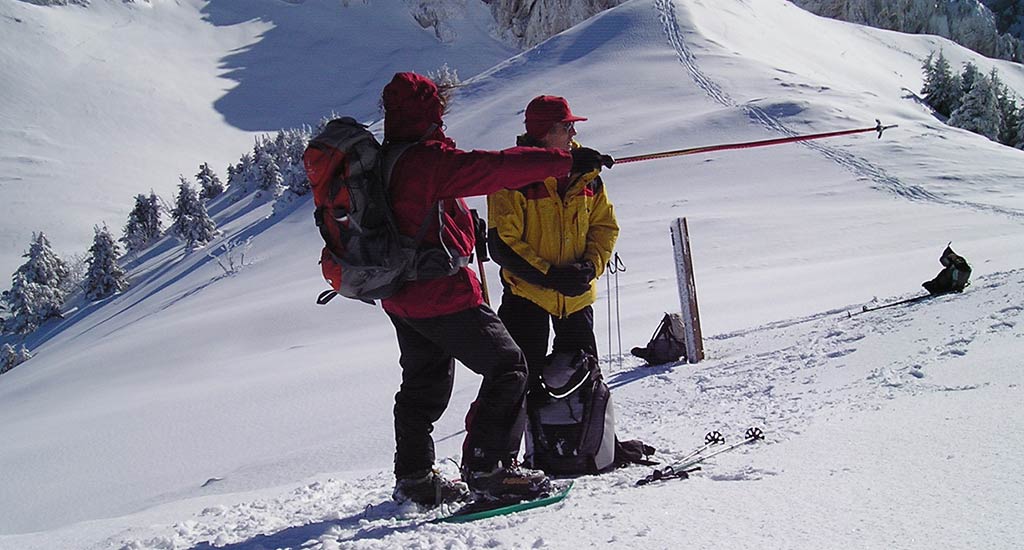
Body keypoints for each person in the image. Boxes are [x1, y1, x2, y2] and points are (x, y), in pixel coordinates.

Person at [379, 74, 613, 507]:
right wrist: (562, 164)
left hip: (400, 293)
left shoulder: (387, 157)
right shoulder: (425, 159)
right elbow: (492, 169)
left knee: (422, 384)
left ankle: (413, 476)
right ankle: (490, 468)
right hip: (440, 292)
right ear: (430, 113)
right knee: (510, 366)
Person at [487, 95, 619, 397]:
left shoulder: (587, 172)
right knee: (517, 388)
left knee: (587, 385)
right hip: (527, 297)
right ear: (546, 132)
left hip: (576, 298)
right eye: (567, 127)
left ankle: (598, 444)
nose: (574, 133)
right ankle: (514, 445)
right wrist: (551, 277)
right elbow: (503, 244)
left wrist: (590, 267)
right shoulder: (512, 176)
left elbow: (605, 225)